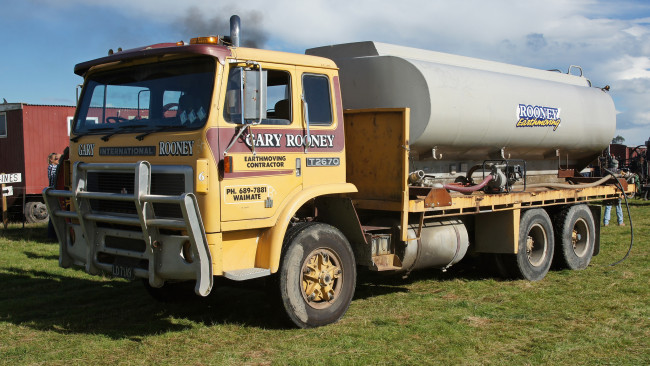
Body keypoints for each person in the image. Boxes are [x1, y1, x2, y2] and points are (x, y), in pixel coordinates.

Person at [603, 154, 624, 226]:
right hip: (616, 191)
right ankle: (620, 222)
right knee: (618, 206)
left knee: (608, 206)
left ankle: (606, 222)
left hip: (608, 191)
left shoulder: (606, 171)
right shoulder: (619, 172)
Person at [47, 153, 60, 239]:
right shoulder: (52, 167)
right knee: (54, 213)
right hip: (54, 193)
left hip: (56, 192)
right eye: (56, 159)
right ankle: (52, 235)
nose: (58, 160)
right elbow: (57, 172)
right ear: (51, 160)